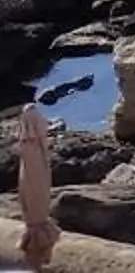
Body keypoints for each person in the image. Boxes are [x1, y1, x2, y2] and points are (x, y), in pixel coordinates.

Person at [13, 103, 54, 268]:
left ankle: (39, 256)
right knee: (38, 201)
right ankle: (38, 257)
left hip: (31, 188)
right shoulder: (35, 149)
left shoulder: (27, 145)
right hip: (37, 193)